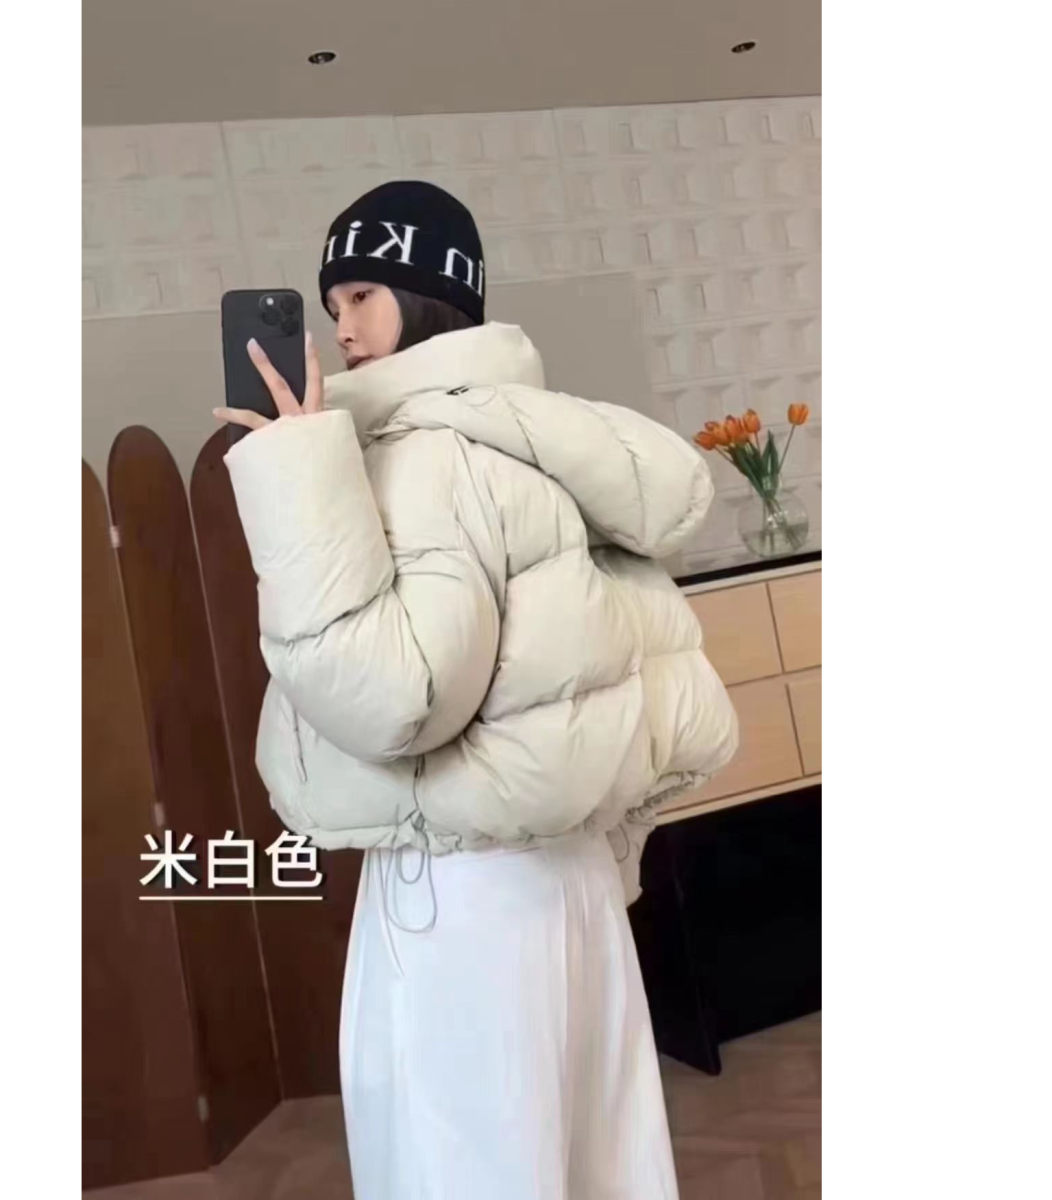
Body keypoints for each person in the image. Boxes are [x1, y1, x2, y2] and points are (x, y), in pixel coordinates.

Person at [213, 181, 738, 1200]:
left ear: (431, 296)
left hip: (460, 893)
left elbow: (394, 696)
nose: (341, 329)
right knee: (597, 1159)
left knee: (465, 1167)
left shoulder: (424, 456)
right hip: (566, 877)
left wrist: (290, 474)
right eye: (330, 305)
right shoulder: (529, 437)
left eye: (362, 296)